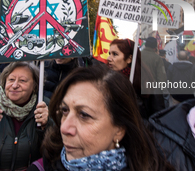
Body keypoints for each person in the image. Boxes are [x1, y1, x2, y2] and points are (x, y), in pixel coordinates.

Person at [27, 65, 174, 171]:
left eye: (84, 115)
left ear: (119, 129)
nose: (64, 128)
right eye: (65, 111)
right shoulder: (40, 167)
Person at [107, 38, 165, 119]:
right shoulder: (107, 82)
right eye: (109, 53)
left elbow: (158, 121)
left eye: (115, 54)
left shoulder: (150, 86)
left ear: (129, 59)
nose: (109, 58)